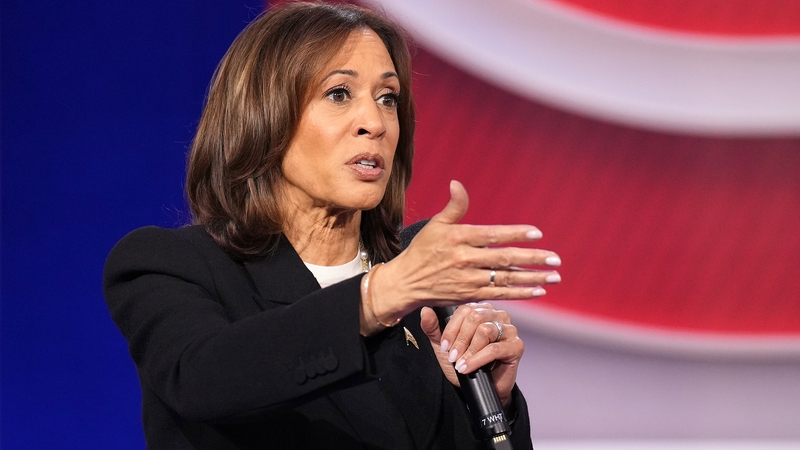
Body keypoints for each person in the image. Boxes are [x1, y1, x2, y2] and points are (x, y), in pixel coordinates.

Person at [103, 2, 561, 449]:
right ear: (263, 115)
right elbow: (204, 379)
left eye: (388, 98)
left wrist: (493, 408)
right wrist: (378, 296)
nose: (375, 123)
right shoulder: (171, 265)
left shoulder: (419, 291)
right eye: (339, 93)